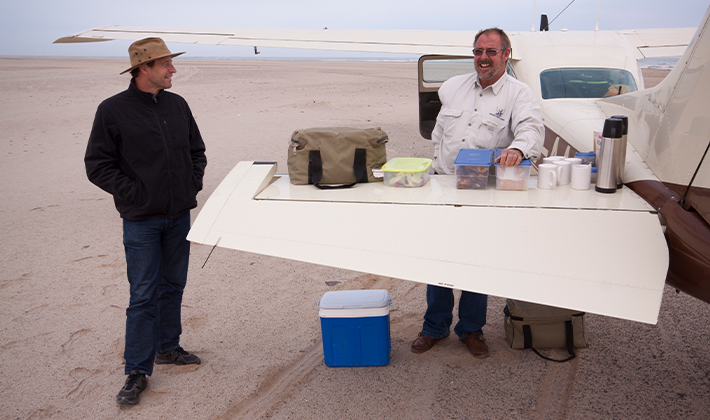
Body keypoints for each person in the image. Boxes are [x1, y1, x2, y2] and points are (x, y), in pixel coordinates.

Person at [84, 37, 207, 405]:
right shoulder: (112, 110)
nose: (173, 69)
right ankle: (136, 370)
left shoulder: (178, 105)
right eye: (166, 64)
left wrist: (191, 184)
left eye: (170, 63)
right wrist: (136, 194)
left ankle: (168, 347)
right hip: (140, 220)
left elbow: (197, 151)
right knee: (142, 295)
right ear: (144, 69)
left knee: (174, 286)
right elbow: (97, 166)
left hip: (178, 216)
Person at [411, 28, 544, 358]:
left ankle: (471, 329)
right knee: (438, 260)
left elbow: (532, 129)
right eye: (478, 51)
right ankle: (434, 327)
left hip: (482, 190)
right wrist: (434, 172)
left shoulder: (518, 93)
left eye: (491, 51)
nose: (483, 58)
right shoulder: (452, 87)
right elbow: (439, 135)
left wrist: (517, 148)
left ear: (506, 54)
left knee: (477, 262)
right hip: (443, 185)